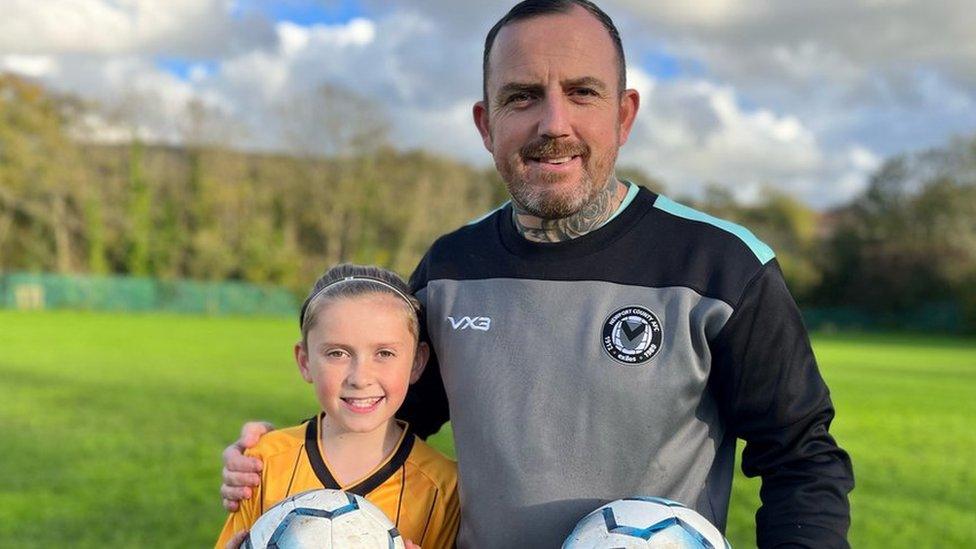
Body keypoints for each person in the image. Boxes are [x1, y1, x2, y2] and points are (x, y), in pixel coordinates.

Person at [222, 1, 854, 547]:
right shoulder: (448, 269)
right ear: (485, 123)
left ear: (624, 115)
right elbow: (384, 417)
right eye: (521, 97)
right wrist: (279, 458)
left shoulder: (722, 266)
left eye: (582, 92)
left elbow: (800, 457)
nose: (554, 124)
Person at [215, 264, 459, 549]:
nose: (360, 378)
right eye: (337, 353)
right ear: (305, 361)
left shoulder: (444, 487)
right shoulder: (261, 464)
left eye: (384, 353)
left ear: (417, 362)